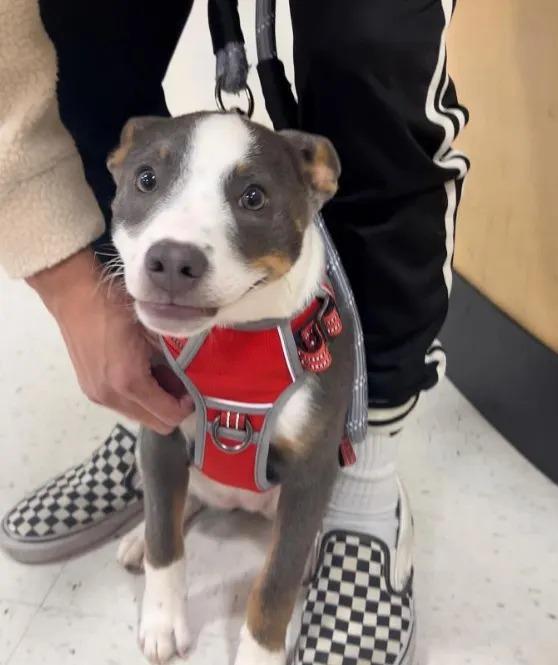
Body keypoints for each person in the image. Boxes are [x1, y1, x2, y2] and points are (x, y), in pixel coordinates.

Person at [0, 1, 468, 663]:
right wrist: (73, 286)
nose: (176, 251)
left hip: (315, 383)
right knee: (82, 51)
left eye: (250, 199)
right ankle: (154, 420)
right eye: (149, 180)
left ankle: (364, 476)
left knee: (374, 56)